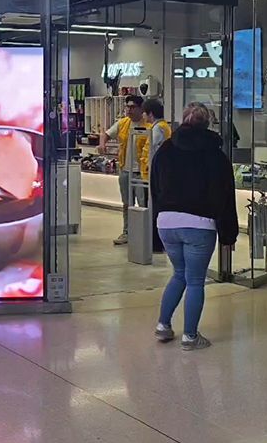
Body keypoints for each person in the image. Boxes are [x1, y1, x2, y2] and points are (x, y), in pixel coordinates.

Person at [151, 102, 237, 351]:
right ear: (207, 124)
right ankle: (190, 336)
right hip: (199, 224)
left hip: (166, 222)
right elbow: (225, 196)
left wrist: (158, 224)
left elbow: (155, 188)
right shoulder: (216, 155)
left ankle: (163, 325)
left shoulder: (165, 150)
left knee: (179, 274)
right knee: (196, 280)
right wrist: (228, 235)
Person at [98, 94, 148, 245]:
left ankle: (146, 234)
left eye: (133, 107)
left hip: (141, 173)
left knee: (143, 204)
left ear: (141, 108)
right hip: (125, 170)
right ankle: (127, 232)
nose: (129, 110)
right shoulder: (123, 123)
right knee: (127, 203)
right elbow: (105, 134)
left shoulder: (148, 125)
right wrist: (102, 144)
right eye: (128, 107)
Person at [140, 98, 172, 253]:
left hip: (153, 174)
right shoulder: (163, 126)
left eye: (145, 113)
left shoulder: (157, 129)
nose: (143, 116)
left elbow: (152, 148)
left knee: (154, 209)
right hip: (157, 172)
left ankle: (156, 243)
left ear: (150, 114)